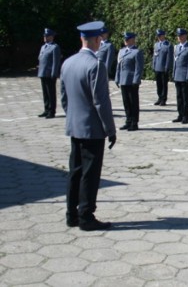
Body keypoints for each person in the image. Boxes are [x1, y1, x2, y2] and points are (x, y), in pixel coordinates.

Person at [59, 21, 116, 231]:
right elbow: (101, 101)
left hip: (75, 126)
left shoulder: (68, 62)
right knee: (90, 174)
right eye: (99, 39)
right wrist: (110, 129)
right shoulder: (96, 65)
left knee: (75, 171)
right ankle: (86, 216)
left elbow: (64, 97)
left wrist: (72, 117)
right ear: (95, 40)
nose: (101, 42)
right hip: (92, 129)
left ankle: (71, 214)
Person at [114, 32, 144, 131]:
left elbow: (138, 68)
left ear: (132, 40)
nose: (125, 41)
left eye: (127, 39)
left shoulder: (137, 52)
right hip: (123, 80)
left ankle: (134, 122)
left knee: (133, 102)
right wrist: (117, 78)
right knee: (126, 102)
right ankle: (128, 120)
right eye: (125, 39)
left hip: (131, 81)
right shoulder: (121, 51)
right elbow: (118, 66)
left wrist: (136, 80)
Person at [172, 28, 188, 124]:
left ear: (185, 36)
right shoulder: (176, 47)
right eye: (178, 36)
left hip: (185, 76)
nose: (180, 37)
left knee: (185, 97)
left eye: (181, 35)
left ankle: (185, 116)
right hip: (177, 75)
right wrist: (173, 73)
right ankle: (180, 114)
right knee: (179, 97)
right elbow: (175, 62)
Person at [37, 28, 61, 118]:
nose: (45, 37)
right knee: (45, 93)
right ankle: (46, 109)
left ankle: (52, 111)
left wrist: (54, 73)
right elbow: (40, 58)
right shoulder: (43, 47)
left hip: (49, 73)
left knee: (51, 93)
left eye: (47, 36)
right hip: (43, 72)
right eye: (44, 36)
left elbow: (56, 61)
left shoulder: (55, 47)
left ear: (51, 37)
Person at [152, 29, 173, 106]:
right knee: (159, 84)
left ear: (164, 35)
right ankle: (159, 97)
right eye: (158, 36)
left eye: (160, 35)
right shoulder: (156, 45)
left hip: (163, 68)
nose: (159, 37)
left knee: (164, 84)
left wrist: (167, 67)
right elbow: (154, 56)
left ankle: (163, 99)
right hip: (157, 67)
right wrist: (153, 65)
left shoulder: (168, 45)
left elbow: (169, 58)